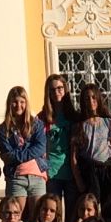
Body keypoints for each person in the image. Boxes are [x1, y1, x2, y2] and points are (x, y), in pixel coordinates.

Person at [70, 84, 111, 209]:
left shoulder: (108, 123)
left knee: (109, 207)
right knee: (92, 207)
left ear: (98, 99)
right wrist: (79, 181)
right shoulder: (78, 126)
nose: (91, 101)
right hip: (89, 173)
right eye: (87, 98)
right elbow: (74, 158)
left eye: (94, 97)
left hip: (107, 171)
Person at [0, 86, 50, 202]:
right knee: (15, 212)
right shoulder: (2, 130)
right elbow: (8, 155)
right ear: (9, 104)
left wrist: (18, 153)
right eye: (15, 102)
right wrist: (29, 149)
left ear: (26, 103)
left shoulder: (37, 125)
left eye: (22, 102)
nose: (18, 105)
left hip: (37, 175)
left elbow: (40, 148)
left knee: (37, 212)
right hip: (16, 176)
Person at [39, 75, 76, 214]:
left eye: (60, 88)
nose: (56, 92)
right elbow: (39, 149)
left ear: (65, 90)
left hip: (72, 172)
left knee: (72, 213)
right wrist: (45, 172)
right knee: (54, 213)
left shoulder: (73, 115)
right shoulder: (41, 118)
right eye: (52, 90)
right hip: (52, 173)